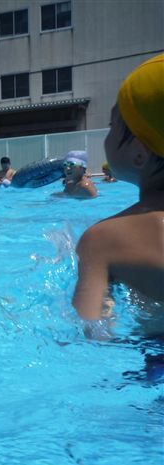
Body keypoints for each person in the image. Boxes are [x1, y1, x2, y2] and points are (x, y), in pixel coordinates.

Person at [72, 54, 164, 332]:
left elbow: (92, 335)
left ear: (139, 152)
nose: (108, 134)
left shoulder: (104, 239)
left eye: (112, 125)